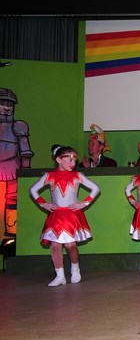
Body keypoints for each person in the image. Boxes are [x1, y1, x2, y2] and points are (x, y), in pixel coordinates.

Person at [29, 144, 100, 286]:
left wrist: (84, 203)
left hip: (71, 215)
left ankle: (75, 269)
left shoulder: (77, 176)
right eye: (69, 159)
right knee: (55, 245)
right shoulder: (49, 176)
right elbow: (33, 190)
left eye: (74, 160)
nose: (73, 163)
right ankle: (60, 275)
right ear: (58, 160)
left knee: (70, 245)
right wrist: (44, 204)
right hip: (56, 215)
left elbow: (95, 188)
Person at [0, 87, 33, 237]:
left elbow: (25, 151)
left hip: (13, 167)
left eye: (10, 105)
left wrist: (25, 172)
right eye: (3, 104)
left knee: (13, 199)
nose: (7, 108)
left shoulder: (18, 126)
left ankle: (12, 229)